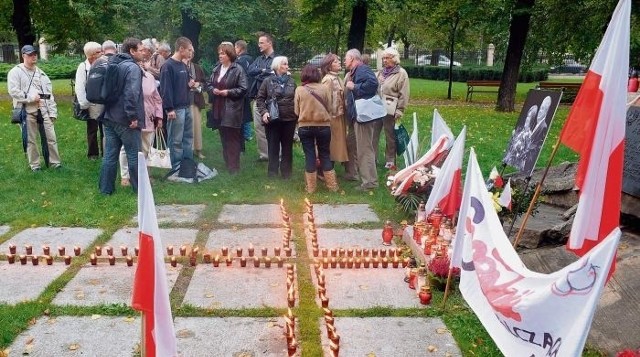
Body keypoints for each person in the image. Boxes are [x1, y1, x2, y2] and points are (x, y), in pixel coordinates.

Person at [98, 38, 146, 194]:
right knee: (134, 155)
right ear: (131, 51)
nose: (143, 52)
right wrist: (133, 117)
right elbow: (131, 94)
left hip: (109, 116)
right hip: (125, 120)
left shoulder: (114, 63)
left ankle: (105, 190)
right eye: (141, 49)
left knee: (110, 155)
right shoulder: (132, 68)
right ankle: (140, 191)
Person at [8, 45, 62, 172]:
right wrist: (31, 97)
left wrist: (53, 112)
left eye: (34, 54)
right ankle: (35, 165)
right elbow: (13, 92)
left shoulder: (41, 73)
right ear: (23, 56)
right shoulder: (15, 72)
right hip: (27, 110)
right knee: (30, 140)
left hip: (43, 110)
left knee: (51, 137)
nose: (33, 56)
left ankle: (55, 162)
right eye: (30, 54)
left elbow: (49, 95)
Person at [118, 39, 164, 187]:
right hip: (132, 118)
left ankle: (144, 174)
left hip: (149, 118)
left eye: (142, 65)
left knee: (146, 147)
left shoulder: (149, 77)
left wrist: (159, 117)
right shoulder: (127, 76)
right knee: (127, 148)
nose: (140, 66)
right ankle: (125, 176)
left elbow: (157, 99)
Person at [295, 64, 337, 193]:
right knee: (325, 154)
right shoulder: (324, 89)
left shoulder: (299, 90)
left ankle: (311, 188)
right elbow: (330, 107)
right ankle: (332, 186)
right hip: (323, 127)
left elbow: (296, 111)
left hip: (305, 126)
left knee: (310, 155)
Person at [208, 42, 248, 174]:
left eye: (223, 53)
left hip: (232, 109)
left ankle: (234, 167)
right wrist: (212, 89)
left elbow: (243, 88)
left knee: (232, 139)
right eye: (219, 53)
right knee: (223, 137)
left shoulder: (238, 69)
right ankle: (227, 163)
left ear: (230, 55)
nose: (220, 56)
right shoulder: (216, 69)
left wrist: (228, 92)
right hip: (218, 108)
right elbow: (209, 84)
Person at [344, 48, 380, 191]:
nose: (344, 61)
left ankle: (370, 182)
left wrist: (355, 87)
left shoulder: (362, 69)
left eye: (346, 58)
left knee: (364, 149)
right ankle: (353, 174)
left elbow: (373, 84)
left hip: (363, 117)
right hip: (356, 116)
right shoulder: (356, 71)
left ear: (353, 58)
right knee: (352, 144)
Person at [256, 56, 297, 179]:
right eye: (284, 64)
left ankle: (286, 174)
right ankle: (272, 173)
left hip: (289, 119)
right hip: (273, 119)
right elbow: (260, 99)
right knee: (273, 147)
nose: (287, 66)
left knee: (287, 147)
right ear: (278, 66)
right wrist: (264, 112)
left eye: (287, 64)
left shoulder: (292, 81)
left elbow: (296, 98)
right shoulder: (267, 81)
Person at [159, 36, 196, 171]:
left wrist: (189, 85)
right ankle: (176, 166)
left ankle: (187, 163)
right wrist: (169, 109)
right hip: (175, 109)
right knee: (175, 140)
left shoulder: (183, 65)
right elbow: (165, 89)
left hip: (186, 106)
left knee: (188, 137)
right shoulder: (167, 66)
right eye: (189, 50)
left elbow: (182, 85)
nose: (191, 53)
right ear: (181, 49)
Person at [373, 47, 409, 169]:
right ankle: (372, 158)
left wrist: (400, 110)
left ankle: (390, 160)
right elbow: (374, 88)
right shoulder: (380, 72)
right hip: (377, 108)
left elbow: (404, 94)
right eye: (383, 58)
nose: (384, 60)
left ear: (394, 59)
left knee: (390, 135)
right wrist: (378, 82)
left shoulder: (401, 73)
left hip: (390, 109)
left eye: (387, 58)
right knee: (374, 134)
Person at [319, 54, 353, 180]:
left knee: (336, 143)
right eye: (336, 61)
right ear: (329, 65)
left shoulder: (337, 78)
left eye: (339, 61)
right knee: (331, 143)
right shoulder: (328, 79)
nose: (339, 63)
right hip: (331, 117)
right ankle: (324, 171)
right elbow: (324, 99)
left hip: (339, 116)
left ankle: (328, 169)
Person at [247, 32, 276, 162]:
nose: (259, 45)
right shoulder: (259, 59)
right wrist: (263, 71)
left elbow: (274, 75)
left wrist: (261, 73)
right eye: (259, 43)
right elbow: (250, 71)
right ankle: (265, 155)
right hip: (258, 99)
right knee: (259, 127)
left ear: (269, 43)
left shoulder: (277, 59)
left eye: (261, 42)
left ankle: (277, 154)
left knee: (274, 127)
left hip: (273, 99)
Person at [74, 41, 103, 160]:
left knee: (104, 129)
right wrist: (85, 104)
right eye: (98, 51)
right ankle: (93, 154)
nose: (101, 53)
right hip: (91, 103)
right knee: (92, 129)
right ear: (91, 55)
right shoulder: (83, 67)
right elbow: (79, 87)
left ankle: (106, 153)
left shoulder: (102, 64)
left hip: (103, 102)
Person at [185, 52, 206, 159]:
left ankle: (198, 150)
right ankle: (188, 150)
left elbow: (204, 82)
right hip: (183, 102)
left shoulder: (197, 67)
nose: (189, 55)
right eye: (188, 52)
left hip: (195, 100)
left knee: (196, 126)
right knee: (186, 128)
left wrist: (198, 84)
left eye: (191, 53)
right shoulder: (179, 66)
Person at [235, 40, 254, 142]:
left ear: (240, 48)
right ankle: (248, 133)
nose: (234, 50)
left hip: (243, 89)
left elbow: (241, 75)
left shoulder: (240, 60)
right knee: (247, 110)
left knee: (243, 112)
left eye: (235, 48)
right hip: (250, 88)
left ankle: (246, 134)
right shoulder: (251, 59)